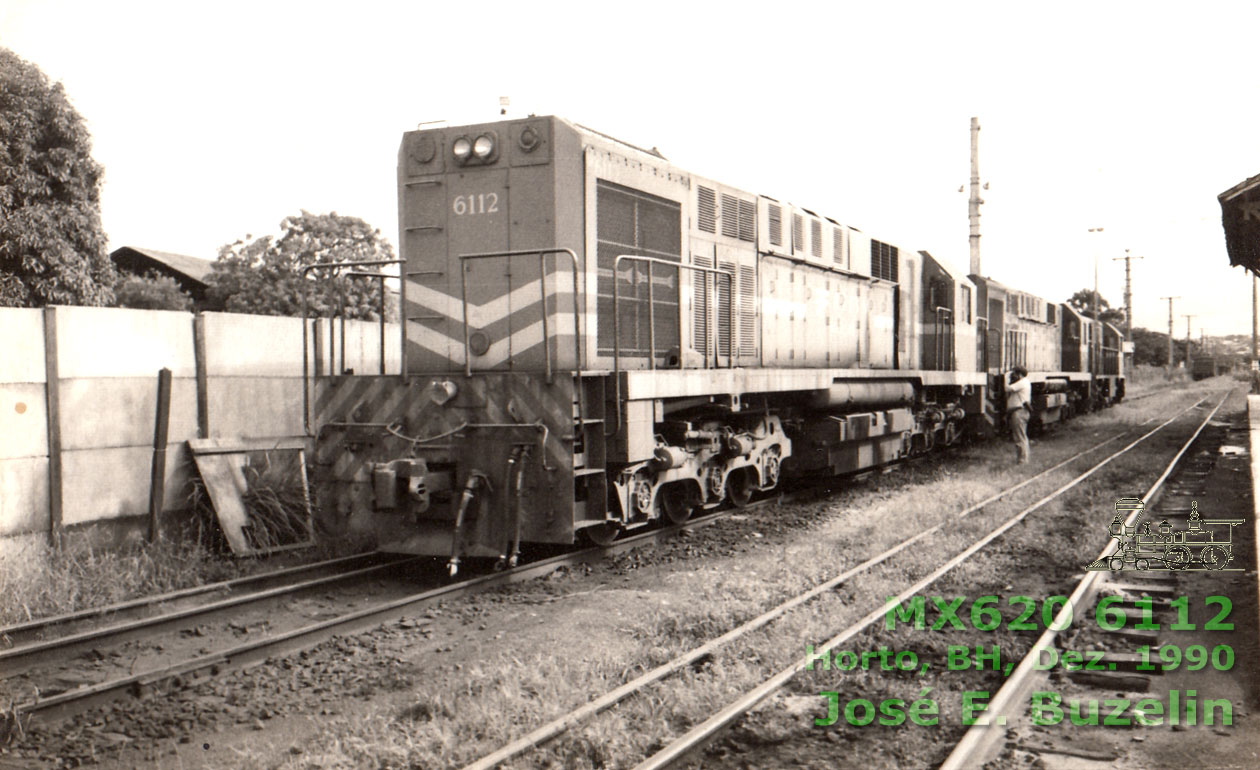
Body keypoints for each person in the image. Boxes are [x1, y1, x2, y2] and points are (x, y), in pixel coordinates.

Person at [1005, 366, 1032, 464]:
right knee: (1022, 436)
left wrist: (1005, 377)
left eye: (1014, 373)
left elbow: (1007, 389)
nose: (1013, 375)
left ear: (1019, 374)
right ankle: (1024, 459)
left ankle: (1022, 461)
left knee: (1019, 437)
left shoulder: (1022, 382)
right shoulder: (1025, 382)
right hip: (1021, 411)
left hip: (1019, 412)